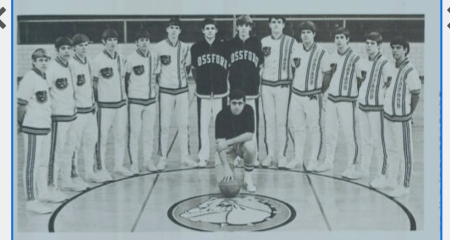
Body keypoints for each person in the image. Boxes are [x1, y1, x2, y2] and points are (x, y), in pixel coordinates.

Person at [377, 37, 421, 198]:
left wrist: (408, 113)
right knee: (391, 150)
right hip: (388, 116)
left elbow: (416, 94)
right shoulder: (391, 68)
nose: (395, 50)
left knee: (405, 152)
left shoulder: (410, 70)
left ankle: (405, 184)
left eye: (399, 48)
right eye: (393, 47)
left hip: (402, 118)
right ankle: (391, 179)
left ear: (406, 50)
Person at [316, 27, 362, 178]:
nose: (339, 40)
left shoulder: (355, 57)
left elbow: (360, 80)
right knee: (330, 132)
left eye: (342, 37)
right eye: (337, 37)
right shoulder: (331, 56)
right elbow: (327, 77)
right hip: (332, 99)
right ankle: (328, 162)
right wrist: (324, 94)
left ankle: (352, 166)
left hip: (347, 101)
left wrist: (357, 98)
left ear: (347, 39)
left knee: (349, 134)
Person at [287, 21, 332, 170]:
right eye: (303, 32)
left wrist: (318, 91)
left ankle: (313, 159)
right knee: (298, 127)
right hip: (296, 95)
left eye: (308, 32)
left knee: (314, 128)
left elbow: (327, 74)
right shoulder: (296, 50)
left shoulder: (322, 52)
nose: (305, 35)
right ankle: (298, 158)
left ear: (314, 34)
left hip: (313, 97)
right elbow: (293, 70)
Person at [62, 34, 105, 185]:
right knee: (75, 145)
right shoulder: (71, 64)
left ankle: (89, 171)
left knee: (91, 142)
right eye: (80, 45)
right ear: (74, 48)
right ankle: (73, 175)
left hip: (90, 110)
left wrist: (95, 103)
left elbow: (92, 86)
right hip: (78, 112)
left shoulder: (90, 62)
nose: (84, 48)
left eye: (86, 45)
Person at [155, 17, 197, 170]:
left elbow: (187, 68)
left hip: (182, 91)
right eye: (171, 27)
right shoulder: (159, 47)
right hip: (165, 91)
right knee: (164, 125)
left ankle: (185, 156)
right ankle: (162, 158)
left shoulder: (185, 48)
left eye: (176, 28)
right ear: (167, 29)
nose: (173, 31)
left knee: (183, 124)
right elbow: (155, 71)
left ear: (180, 31)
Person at [17, 49, 53, 213]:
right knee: (32, 164)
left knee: (43, 162)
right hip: (33, 127)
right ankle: (31, 200)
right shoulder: (29, 78)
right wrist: (20, 123)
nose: (43, 62)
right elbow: (21, 105)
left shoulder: (44, 77)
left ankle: (43, 192)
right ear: (33, 62)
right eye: (40, 60)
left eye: (46, 59)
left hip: (45, 126)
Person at [92, 29, 132, 178]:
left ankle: (119, 165)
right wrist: (96, 102)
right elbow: (94, 84)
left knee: (120, 136)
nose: (112, 43)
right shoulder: (97, 61)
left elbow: (125, 80)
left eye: (115, 40)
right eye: (109, 40)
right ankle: (100, 168)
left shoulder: (122, 58)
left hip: (121, 105)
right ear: (103, 42)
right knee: (102, 138)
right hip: (105, 106)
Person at [190, 17, 229, 167]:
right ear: (203, 30)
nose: (210, 31)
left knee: (221, 126)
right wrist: (200, 84)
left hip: (221, 92)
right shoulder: (196, 47)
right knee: (203, 125)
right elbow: (194, 70)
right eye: (207, 28)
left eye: (212, 28)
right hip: (203, 94)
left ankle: (221, 156)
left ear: (216, 30)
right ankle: (203, 156)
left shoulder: (224, 47)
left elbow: (229, 69)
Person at [227, 15, 264, 167]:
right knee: (236, 123)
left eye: (246, 26)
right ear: (237, 27)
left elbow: (261, 68)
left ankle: (253, 153)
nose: (243, 28)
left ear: (250, 27)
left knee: (252, 124)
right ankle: (237, 155)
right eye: (240, 25)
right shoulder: (230, 44)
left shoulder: (257, 44)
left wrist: (258, 85)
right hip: (236, 92)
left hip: (251, 91)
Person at [353, 32, 390, 180]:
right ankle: (364, 169)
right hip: (362, 107)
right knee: (365, 140)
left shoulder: (385, 63)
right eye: (367, 43)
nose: (369, 46)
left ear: (379, 46)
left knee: (379, 142)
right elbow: (359, 83)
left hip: (377, 109)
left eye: (372, 43)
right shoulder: (361, 63)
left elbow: (388, 87)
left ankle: (382, 174)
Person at [260, 16, 295, 168]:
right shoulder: (263, 41)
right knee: (269, 121)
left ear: (283, 25)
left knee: (281, 121)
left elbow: (296, 64)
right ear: (269, 24)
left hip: (283, 86)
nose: (276, 25)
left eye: (279, 22)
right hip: (266, 86)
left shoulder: (291, 42)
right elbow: (259, 63)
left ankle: (281, 155)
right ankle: (269, 155)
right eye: (273, 22)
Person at [46, 36, 77, 201]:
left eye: (69, 48)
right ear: (56, 51)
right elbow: (45, 92)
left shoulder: (70, 66)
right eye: (63, 48)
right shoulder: (51, 68)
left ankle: (66, 180)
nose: (66, 51)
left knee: (69, 149)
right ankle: (51, 187)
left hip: (71, 115)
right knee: (55, 153)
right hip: (58, 117)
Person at [125, 29, 160, 174]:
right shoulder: (131, 58)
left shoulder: (154, 57)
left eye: (147, 40)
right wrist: (131, 96)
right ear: (136, 43)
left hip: (151, 101)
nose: (144, 43)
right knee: (134, 132)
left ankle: (148, 160)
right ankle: (134, 162)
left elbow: (157, 77)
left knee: (149, 132)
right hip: (135, 102)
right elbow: (125, 80)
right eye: (141, 40)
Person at [215, 89, 257, 192]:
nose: (237, 106)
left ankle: (247, 177)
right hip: (227, 150)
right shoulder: (221, 115)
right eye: (234, 103)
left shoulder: (249, 110)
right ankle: (232, 163)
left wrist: (229, 142)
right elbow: (220, 145)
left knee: (251, 146)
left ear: (244, 103)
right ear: (229, 103)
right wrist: (226, 167)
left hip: (240, 146)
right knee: (223, 182)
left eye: (240, 103)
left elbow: (249, 135)